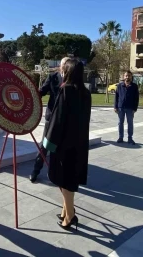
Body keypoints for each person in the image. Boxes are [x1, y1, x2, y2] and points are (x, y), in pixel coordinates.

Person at [43, 59, 91, 231]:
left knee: (63, 180)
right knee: (70, 179)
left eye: (63, 69)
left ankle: (70, 215)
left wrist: (49, 142)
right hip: (79, 143)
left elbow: (57, 120)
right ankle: (66, 211)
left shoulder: (66, 90)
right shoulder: (85, 93)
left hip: (64, 145)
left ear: (68, 71)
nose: (61, 71)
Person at [29, 57, 71, 183]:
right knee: (45, 145)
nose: (66, 66)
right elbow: (41, 92)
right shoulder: (52, 77)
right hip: (51, 118)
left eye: (68, 64)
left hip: (66, 119)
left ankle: (55, 173)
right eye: (64, 64)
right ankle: (35, 170)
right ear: (60, 65)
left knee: (61, 147)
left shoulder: (72, 80)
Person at [114, 71, 139, 144]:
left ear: (131, 77)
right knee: (120, 123)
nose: (127, 77)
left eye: (129, 76)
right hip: (120, 107)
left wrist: (135, 108)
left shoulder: (134, 86)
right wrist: (115, 107)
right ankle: (120, 137)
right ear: (124, 77)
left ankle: (130, 138)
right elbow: (116, 97)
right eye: (126, 76)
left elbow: (136, 98)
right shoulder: (119, 85)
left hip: (130, 108)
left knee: (130, 123)